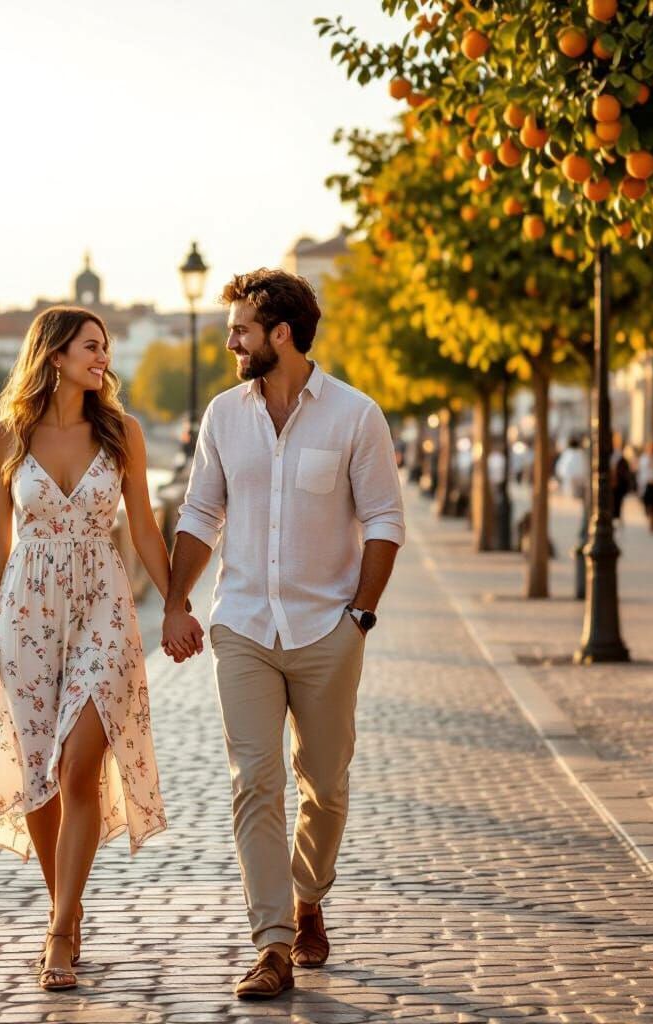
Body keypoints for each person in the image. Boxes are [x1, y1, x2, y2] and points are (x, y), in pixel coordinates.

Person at [162, 268, 405, 1000]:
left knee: (324, 787)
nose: (231, 339)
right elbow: (200, 515)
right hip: (242, 626)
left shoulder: (356, 417)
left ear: (282, 334)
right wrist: (177, 601)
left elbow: (386, 524)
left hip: (326, 627)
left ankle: (309, 896)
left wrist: (358, 617)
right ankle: (271, 945)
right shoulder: (222, 417)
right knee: (255, 785)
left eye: (241, 328)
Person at [0, 307, 170, 991]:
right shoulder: (7, 437)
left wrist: (177, 602)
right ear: (54, 356)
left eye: (105, 348)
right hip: (25, 614)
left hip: (103, 610)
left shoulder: (122, 434)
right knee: (40, 779)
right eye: (91, 346)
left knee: (80, 762)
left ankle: (57, 932)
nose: (102, 357)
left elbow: (141, 528)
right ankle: (66, 908)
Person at [554, 435, 589, 501]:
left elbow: (561, 467)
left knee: (570, 496)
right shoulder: (581, 453)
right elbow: (585, 466)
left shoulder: (567, 453)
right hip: (579, 477)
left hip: (570, 479)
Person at [610, 432, 633, 526]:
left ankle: (616, 519)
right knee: (614, 502)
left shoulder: (620, 455)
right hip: (612, 483)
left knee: (617, 502)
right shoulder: (612, 453)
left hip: (619, 484)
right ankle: (615, 518)